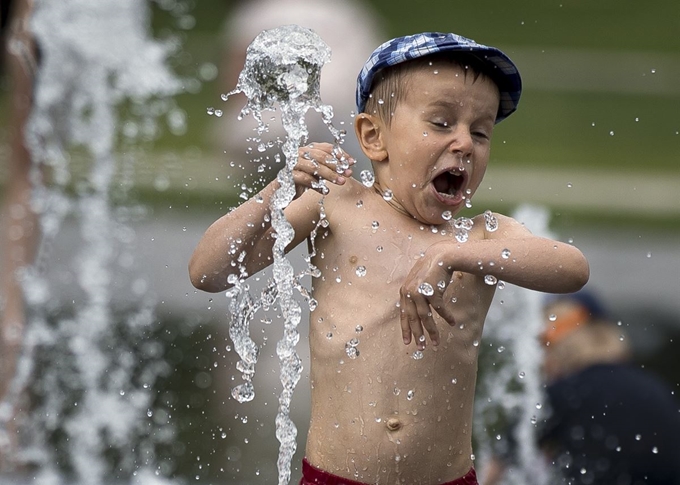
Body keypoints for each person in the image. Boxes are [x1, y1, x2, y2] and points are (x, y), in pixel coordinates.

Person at [189, 32, 589, 485]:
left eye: (481, 132)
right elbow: (209, 271)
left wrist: (453, 254)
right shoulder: (335, 206)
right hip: (334, 477)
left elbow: (571, 268)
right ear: (373, 137)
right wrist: (277, 191)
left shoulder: (480, 236)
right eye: (441, 123)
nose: (464, 144)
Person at [483, 290, 680, 485]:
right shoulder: (657, 388)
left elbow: (494, 470)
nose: (539, 355)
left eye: (544, 340)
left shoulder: (565, 393)